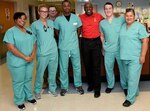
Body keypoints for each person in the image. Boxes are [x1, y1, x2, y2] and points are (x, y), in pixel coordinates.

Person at [3, 12, 36, 110]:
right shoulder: (10, 32)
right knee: (19, 81)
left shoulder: (29, 30)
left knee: (28, 79)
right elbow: (11, 48)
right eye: (20, 18)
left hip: (29, 60)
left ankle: (29, 97)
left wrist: (32, 55)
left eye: (24, 19)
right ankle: (19, 101)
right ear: (15, 19)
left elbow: (34, 43)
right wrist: (25, 57)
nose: (23, 20)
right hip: (17, 62)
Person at [120, 8, 149, 107]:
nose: (128, 17)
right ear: (125, 17)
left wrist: (143, 56)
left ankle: (130, 99)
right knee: (129, 78)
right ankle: (135, 92)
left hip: (135, 58)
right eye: (127, 16)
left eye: (130, 16)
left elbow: (145, 41)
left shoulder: (139, 26)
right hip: (124, 56)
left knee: (132, 78)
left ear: (134, 16)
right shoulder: (123, 26)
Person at [54, 0, 84, 96]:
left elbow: (79, 29)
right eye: (64, 6)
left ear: (70, 7)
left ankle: (78, 85)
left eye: (68, 6)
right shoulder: (58, 20)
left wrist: (74, 38)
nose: (66, 7)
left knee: (77, 67)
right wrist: (64, 39)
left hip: (74, 46)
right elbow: (56, 32)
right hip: (63, 47)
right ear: (62, 7)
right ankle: (64, 87)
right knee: (63, 68)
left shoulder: (76, 18)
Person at [31, 4, 58, 99]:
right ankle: (37, 90)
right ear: (38, 12)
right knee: (40, 72)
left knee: (53, 71)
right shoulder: (34, 25)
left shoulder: (51, 23)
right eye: (42, 11)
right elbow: (32, 40)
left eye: (46, 11)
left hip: (53, 51)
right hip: (42, 52)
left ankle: (52, 88)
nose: (44, 13)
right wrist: (33, 52)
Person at [100, 2, 126, 94]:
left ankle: (125, 86)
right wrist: (103, 47)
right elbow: (102, 35)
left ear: (113, 9)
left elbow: (129, 19)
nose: (108, 10)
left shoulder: (120, 19)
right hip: (108, 50)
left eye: (109, 8)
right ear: (104, 10)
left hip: (119, 49)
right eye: (106, 9)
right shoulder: (102, 23)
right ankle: (110, 85)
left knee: (122, 68)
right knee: (109, 68)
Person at [79, 2, 104, 98]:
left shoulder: (98, 16)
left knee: (96, 66)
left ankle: (97, 89)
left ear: (92, 8)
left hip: (96, 42)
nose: (88, 8)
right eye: (86, 7)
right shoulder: (80, 17)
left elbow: (107, 23)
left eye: (90, 7)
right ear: (84, 9)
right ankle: (91, 84)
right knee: (87, 65)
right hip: (85, 42)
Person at [42, 5, 58, 90]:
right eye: (50, 10)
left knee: (57, 63)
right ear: (48, 12)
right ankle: (45, 80)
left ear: (56, 12)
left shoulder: (59, 20)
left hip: (58, 44)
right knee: (46, 64)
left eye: (54, 10)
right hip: (47, 46)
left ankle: (56, 79)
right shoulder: (45, 21)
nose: (52, 12)